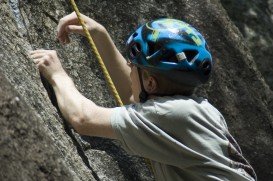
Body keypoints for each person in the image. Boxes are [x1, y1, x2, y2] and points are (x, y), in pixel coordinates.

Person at [30, 12, 257, 180]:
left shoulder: (166, 113)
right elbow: (134, 95)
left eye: (132, 66)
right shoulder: (199, 110)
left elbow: (83, 119)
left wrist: (58, 75)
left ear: (150, 82)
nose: (129, 70)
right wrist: (100, 35)